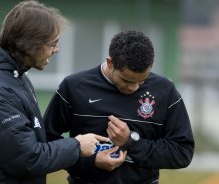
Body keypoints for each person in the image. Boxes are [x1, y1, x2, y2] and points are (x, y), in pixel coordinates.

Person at [0, 1, 109, 184]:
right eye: (53, 43)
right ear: (31, 44)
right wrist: (77, 146)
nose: (57, 50)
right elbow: (27, 159)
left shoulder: (15, 78)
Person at [44, 30, 195, 184]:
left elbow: (182, 153)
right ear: (110, 63)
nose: (134, 88)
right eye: (126, 80)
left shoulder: (165, 91)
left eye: (142, 80)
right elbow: (47, 142)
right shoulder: (74, 87)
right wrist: (91, 162)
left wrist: (131, 142)